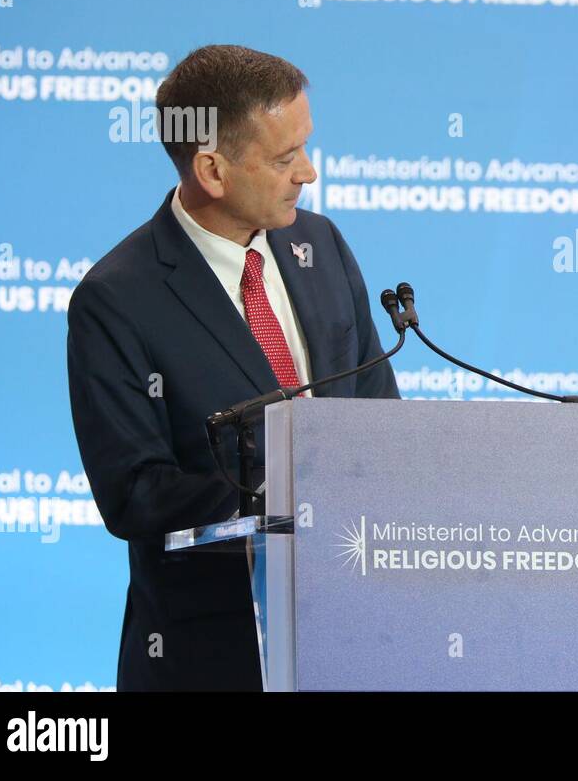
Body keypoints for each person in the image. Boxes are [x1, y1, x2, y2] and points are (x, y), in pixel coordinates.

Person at [67, 44, 399, 690]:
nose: (308, 172)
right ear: (212, 170)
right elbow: (135, 495)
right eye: (284, 158)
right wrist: (293, 496)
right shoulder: (116, 299)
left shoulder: (320, 245)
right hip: (212, 659)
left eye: (306, 146)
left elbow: (379, 423)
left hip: (356, 640)